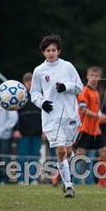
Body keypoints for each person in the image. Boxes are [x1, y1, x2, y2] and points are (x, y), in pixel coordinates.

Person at [30, 34, 83, 198]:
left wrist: (66, 86)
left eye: (54, 50)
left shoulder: (67, 67)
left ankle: (67, 168)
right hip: (51, 117)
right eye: (48, 50)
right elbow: (34, 93)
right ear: (43, 52)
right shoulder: (39, 71)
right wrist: (42, 103)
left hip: (69, 115)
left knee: (67, 150)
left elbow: (79, 87)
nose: (51, 52)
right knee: (61, 151)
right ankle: (68, 185)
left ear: (59, 51)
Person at [74, 67, 106, 187]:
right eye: (92, 75)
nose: (94, 78)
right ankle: (61, 176)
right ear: (87, 76)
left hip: (95, 130)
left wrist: (101, 115)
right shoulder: (84, 91)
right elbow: (83, 110)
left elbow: (94, 110)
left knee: (104, 152)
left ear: (99, 78)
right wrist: (99, 117)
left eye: (96, 75)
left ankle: (102, 182)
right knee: (80, 156)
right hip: (84, 128)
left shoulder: (96, 92)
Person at [13, 72, 43, 185]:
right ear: (24, 83)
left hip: (37, 132)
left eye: (31, 81)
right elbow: (14, 114)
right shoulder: (19, 97)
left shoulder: (40, 96)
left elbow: (45, 114)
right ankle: (21, 178)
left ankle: (33, 178)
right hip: (23, 132)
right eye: (27, 81)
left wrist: (44, 130)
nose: (29, 83)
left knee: (35, 156)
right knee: (22, 157)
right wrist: (16, 129)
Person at [0, 87, 18, 184]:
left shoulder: (6, 103)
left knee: (4, 158)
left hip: (4, 137)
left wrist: (4, 128)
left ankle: (5, 178)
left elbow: (13, 118)